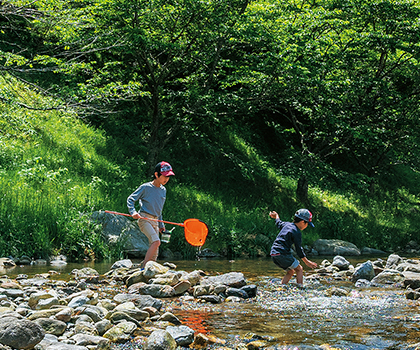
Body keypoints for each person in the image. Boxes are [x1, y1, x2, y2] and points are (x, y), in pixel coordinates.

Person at [127, 161, 175, 268]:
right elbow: (130, 199)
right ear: (157, 175)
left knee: (155, 251)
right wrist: (133, 212)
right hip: (144, 219)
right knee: (156, 242)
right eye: (164, 176)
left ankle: (150, 270)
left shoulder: (163, 190)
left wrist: (161, 225)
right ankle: (144, 268)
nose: (166, 179)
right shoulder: (145, 187)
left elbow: (159, 210)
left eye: (168, 177)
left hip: (156, 221)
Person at [269, 209, 318, 285]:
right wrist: (307, 262)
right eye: (307, 223)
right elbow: (298, 249)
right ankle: (300, 288)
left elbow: (278, 223)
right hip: (282, 254)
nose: (307, 225)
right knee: (299, 269)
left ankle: (282, 287)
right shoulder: (296, 232)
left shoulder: (287, 225)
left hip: (273, 254)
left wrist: (276, 216)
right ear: (302, 222)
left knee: (291, 271)